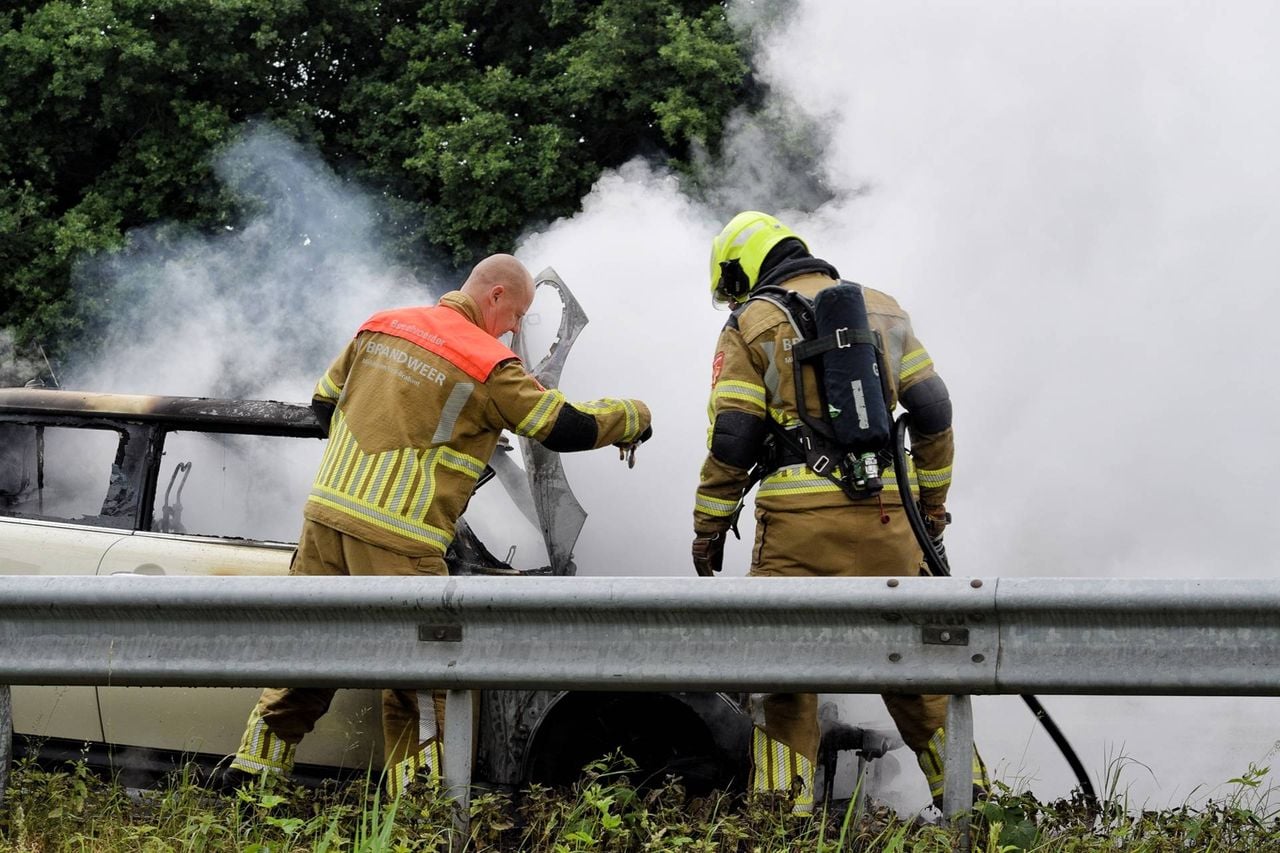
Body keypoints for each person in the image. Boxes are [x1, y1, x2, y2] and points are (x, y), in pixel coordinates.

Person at [224, 254, 652, 797]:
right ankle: (420, 811)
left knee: (307, 656)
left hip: (324, 524)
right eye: (517, 313)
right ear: (494, 296)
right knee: (421, 685)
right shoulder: (488, 362)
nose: (516, 327)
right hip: (399, 538)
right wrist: (632, 415)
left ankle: (251, 778)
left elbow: (321, 405)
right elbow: (560, 427)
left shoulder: (380, 325)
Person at [690, 212, 985, 814]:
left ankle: (782, 818)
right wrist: (930, 506)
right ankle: (976, 809)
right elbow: (934, 411)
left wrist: (709, 526)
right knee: (918, 674)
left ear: (741, 266)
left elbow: (735, 437)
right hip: (889, 524)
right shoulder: (883, 309)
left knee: (784, 681)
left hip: (799, 536)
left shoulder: (751, 321)